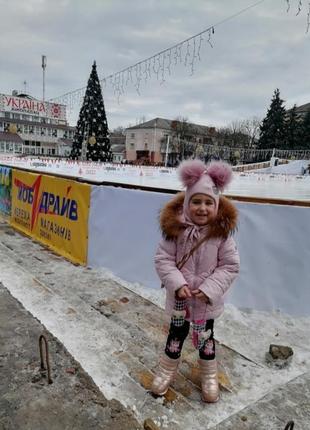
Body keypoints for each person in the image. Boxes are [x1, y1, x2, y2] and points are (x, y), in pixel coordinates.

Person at [151, 159, 240, 403]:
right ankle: (167, 368)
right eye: (196, 201)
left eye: (208, 202)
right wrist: (177, 284)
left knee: (206, 339)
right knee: (175, 335)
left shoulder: (222, 236)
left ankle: (209, 374)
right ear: (187, 203)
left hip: (206, 305)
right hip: (181, 301)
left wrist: (209, 289)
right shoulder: (175, 229)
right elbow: (163, 259)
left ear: (217, 205)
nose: (202, 208)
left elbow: (230, 266)